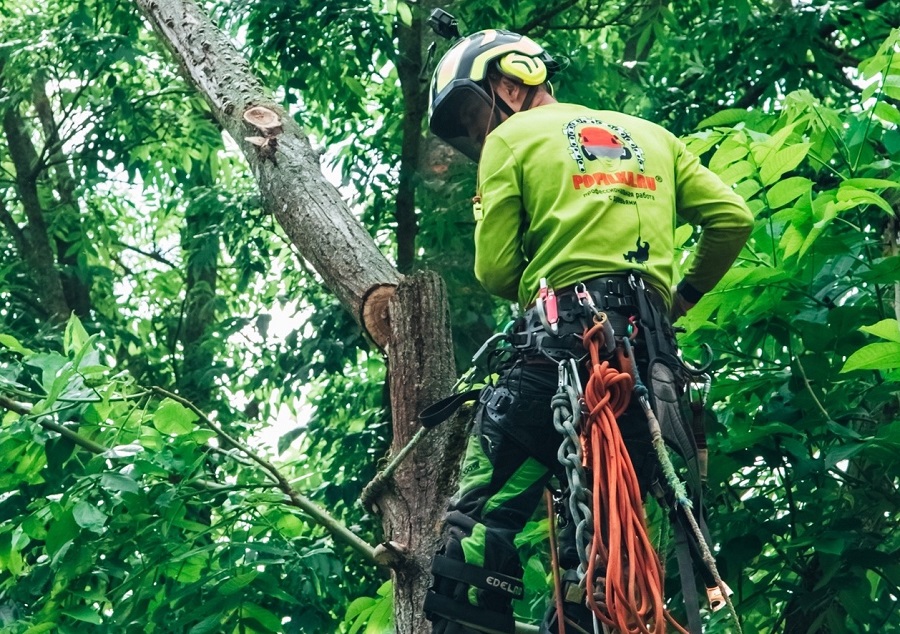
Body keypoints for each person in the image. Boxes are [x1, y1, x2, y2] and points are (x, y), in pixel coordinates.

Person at [423, 26, 754, 634]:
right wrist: (680, 296)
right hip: (646, 376)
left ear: (513, 79)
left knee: (476, 522)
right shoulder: (656, 138)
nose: (479, 134)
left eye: (475, 116)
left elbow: (495, 271)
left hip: (553, 357)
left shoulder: (512, 142)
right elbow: (733, 218)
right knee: (604, 541)